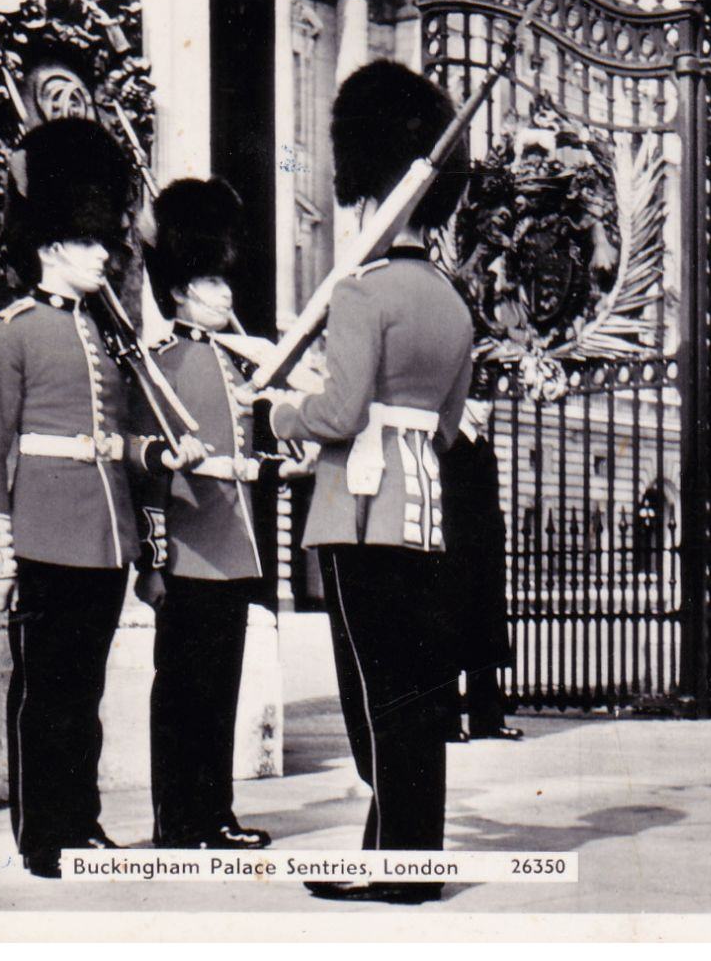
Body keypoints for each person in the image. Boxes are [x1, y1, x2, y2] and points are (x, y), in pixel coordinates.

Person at [0, 119, 204, 878]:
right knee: (48, 698)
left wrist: (155, 456)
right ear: (53, 245)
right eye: (91, 240)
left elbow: (116, 436)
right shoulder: (12, 332)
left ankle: (83, 824)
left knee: (86, 695)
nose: (107, 252)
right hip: (43, 536)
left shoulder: (106, 337)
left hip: (103, 536)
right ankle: (44, 836)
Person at [265, 61, 474, 905]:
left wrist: (283, 412)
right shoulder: (452, 302)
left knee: (375, 695)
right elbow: (450, 427)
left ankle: (395, 866)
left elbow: (341, 412)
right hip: (422, 510)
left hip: (357, 514)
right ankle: (399, 851)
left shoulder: (360, 293)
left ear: (367, 195)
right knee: (415, 690)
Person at [136, 177, 308, 851]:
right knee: (183, 695)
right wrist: (152, 559)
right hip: (187, 547)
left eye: (222, 280)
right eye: (208, 282)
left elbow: (253, 453)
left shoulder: (241, 365)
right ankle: (178, 819)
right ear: (179, 290)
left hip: (233, 546)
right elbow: (148, 476)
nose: (224, 293)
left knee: (220, 692)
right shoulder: (160, 366)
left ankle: (215, 811)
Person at [441, 399, 522, 742]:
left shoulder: (483, 445)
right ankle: (445, 721)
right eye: (478, 398)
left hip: (484, 558)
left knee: (486, 638)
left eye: (489, 400)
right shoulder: (446, 442)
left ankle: (487, 718)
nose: (486, 407)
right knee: (448, 640)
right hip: (455, 554)